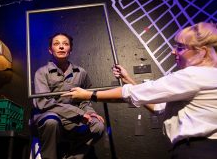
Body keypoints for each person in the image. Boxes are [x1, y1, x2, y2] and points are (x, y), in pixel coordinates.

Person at [62, 22, 217, 159]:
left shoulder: (193, 75)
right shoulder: (209, 76)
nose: (173, 51)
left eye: (181, 47)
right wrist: (128, 79)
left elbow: (130, 93)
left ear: (202, 51)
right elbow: (158, 107)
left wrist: (89, 94)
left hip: (198, 151)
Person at [31, 33, 105, 159]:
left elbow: (85, 100)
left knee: (98, 125)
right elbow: (43, 103)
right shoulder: (41, 72)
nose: (61, 47)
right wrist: (79, 114)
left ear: (70, 49)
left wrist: (90, 113)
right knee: (51, 120)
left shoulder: (81, 72)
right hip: (49, 115)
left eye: (65, 44)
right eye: (56, 44)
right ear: (50, 50)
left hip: (73, 120)